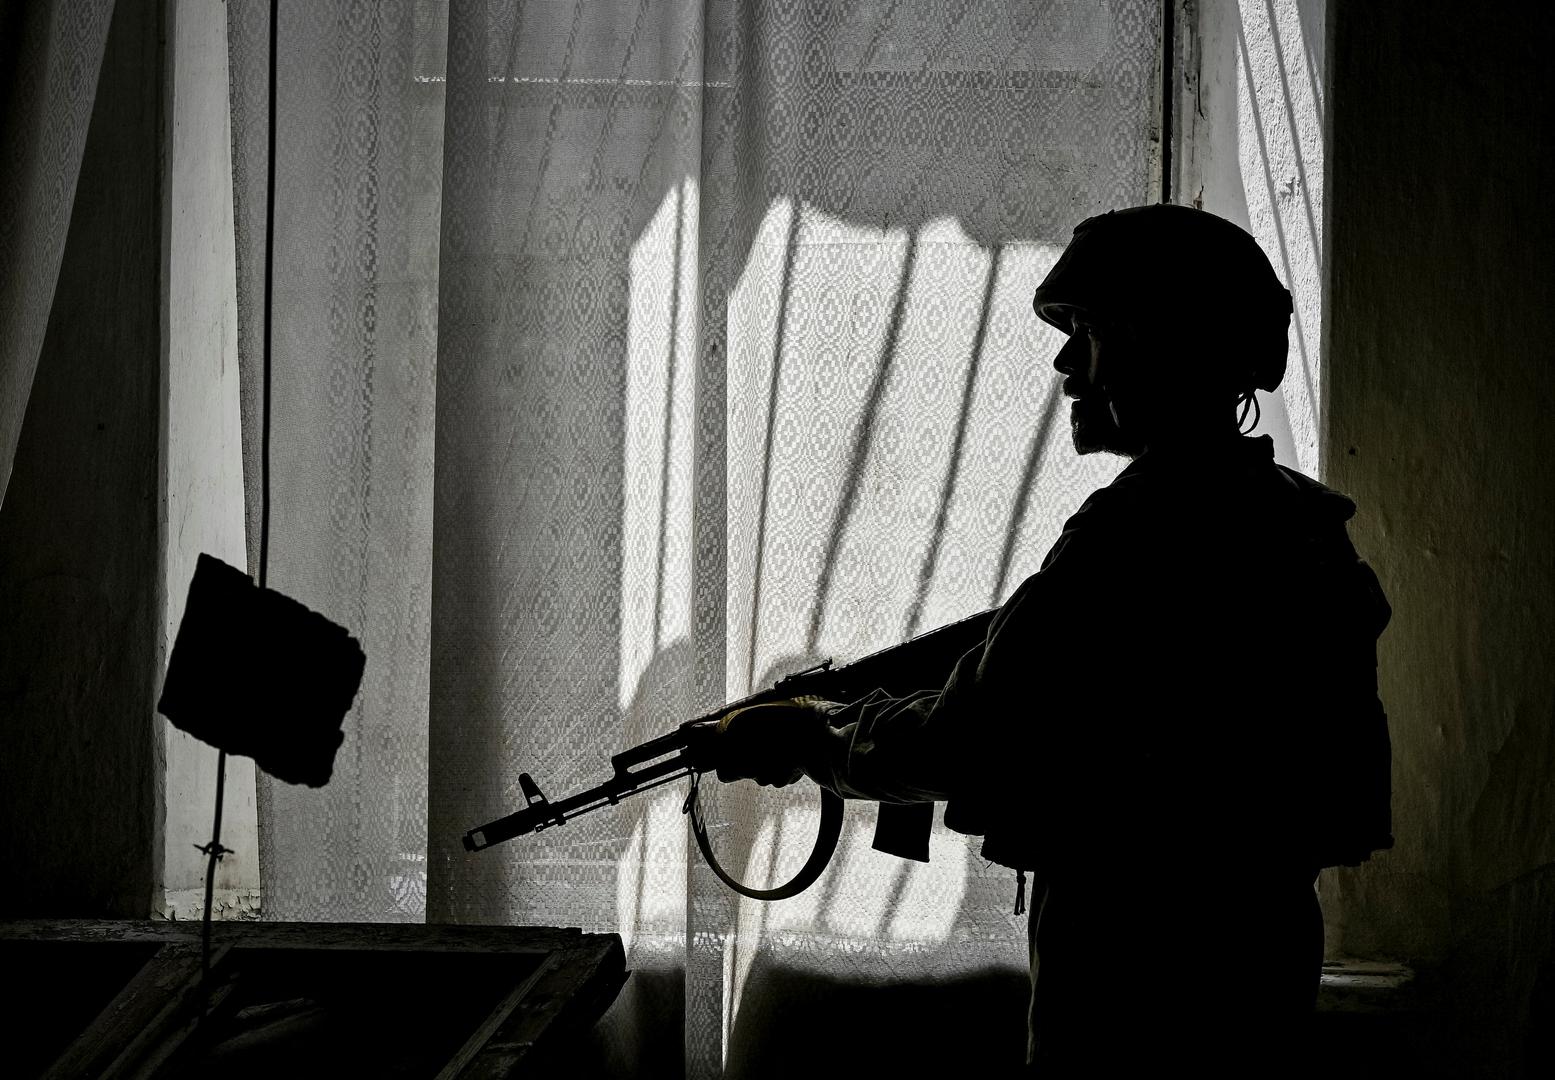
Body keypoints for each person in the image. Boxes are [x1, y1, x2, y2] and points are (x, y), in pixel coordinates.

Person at [712, 205, 1393, 1076]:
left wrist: (815, 736)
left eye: (1090, 332)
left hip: (1133, 987)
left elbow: (969, 738)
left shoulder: (1141, 529)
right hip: (1256, 968)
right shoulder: (1298, 519)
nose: (1068, 364)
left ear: (1160, 343)